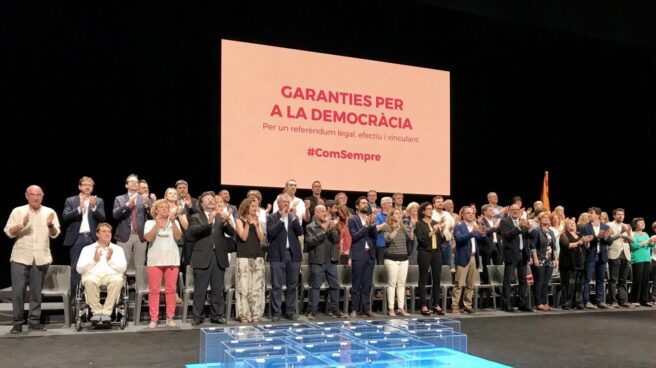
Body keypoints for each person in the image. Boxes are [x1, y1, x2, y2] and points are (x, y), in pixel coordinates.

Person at [4, 185, 61, 333]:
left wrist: (50, 225)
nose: (35, 197)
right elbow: (9, 232)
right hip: (20, 257)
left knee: (36, 292)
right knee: (18, 292)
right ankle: (17, 323)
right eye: (32, 194)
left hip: (41, 257)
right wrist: (21, 224)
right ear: (26, 196)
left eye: (38, 195)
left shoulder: (49, 212)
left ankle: (34, 322)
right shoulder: (18, 211)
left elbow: (55, 234)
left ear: (42, 196)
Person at [187, 191, 235, 326]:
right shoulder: (196, 216)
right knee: (200, 289)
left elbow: (232, 233)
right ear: (201, 204)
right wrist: (208, 222)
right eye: (207, 199)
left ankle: (216, 315)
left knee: (217, 289)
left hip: (218, 256)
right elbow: (191, 234)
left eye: (212, 199)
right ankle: (197, 316)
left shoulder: (221, 216)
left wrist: (227, 223)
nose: (210, 200)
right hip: (202, 257)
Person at [61, 176, 106, 298]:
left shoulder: (98, 201)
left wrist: (93, 207)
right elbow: (65, 217)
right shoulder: (71, 201)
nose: (88, 187)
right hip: (77, 238)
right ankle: (76, 298)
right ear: (79, 187)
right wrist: (79, 208)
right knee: (76, 268)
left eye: (90, 185)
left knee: (94, 267)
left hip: (92, 238)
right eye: (85, 184)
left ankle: (91, 298)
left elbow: (102, 218)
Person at [76, 223, 127, 323]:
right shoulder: (87, 249)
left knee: (118, 280)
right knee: (89, 281)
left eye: (109, 232)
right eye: (104, 231)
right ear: (97, 234)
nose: (107, 234)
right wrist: (94, 260)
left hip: (112, 275)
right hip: (93, 275)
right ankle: (97, 312)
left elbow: (123, 269)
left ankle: (106, 313)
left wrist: (110, 259)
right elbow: (79, 269)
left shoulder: (118, 249)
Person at [144, 199, 182, 328]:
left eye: (167, 207)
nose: (165, 209)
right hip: (155, 260)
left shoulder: (174, 222)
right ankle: (154, 318)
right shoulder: (149, 222)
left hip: (172, 259)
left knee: (171, 290)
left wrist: (172, 222)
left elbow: (178, 237)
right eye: (162, 207)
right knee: (154, 290)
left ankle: (170, 317)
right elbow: (148, 238)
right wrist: (156, 224)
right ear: (156, 210)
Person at [305, 205, 348, 319]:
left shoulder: (332, 225)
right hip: (317, 262)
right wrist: (323, 232)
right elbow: (310, 242)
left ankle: (336, 311)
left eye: (325, 211)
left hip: (331, 261)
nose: (325, 213)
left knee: (335, 286)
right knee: (316, 287)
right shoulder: (310, 226)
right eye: (322, 211)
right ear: (316, 214)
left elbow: (336, 240)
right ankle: (312, 312)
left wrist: (332, 228)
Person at [267, 193, 304, 321]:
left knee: (292, 286)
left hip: (293, 255)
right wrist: (282, 219)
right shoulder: (272, 217)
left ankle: (290, 311)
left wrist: (293, 217)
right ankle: (276, 312)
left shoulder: (294, 218)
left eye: (288, 202)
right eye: (283, 202)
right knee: (277, 286)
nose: (286, 204)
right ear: (278, 204)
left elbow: (300, 232)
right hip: (277, 255)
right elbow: (271, 234)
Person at [234, 197, 266, 323]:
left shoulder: (258, 220)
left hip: (257, 256)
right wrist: (247, 223)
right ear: (246, 207)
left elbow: (262, 238)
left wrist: (257, 225)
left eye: (256, 206)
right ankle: (243, 314)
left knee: (257, 287)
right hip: (243, 257)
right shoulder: (239, 220)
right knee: (243, 287)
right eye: (252, 206)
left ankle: (256, 313)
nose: (255, 208)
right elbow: (243, 237)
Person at [112, 174, 152, 271]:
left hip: (140, 236)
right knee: (121, 265)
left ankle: (139, 286)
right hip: (124, 235)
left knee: (140, 266)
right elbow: (115, 215)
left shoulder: (144, 198)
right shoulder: (119, 198)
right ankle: (121, 285)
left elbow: (152, 217)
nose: (134, 183)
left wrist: (147, 205)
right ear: (126, 185)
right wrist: (127, 205)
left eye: (136, 182)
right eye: (131, 181)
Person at [347, 196, 378, 318]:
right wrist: (365, 225)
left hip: (369, 254)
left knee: (367, 284)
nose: (366, 205)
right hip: (358, 254)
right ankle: (354, 309)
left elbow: (374, 236)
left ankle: (366, 308)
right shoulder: (353, 220)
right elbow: (354, 237)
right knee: (356, 283)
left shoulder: (371, 219)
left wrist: (373, 224)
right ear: (357, 206)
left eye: (367, 203)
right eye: (363, 203)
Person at [498, 204, 532, 312]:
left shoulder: (523, 221)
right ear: (509, 211)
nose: (515, 211)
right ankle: (506, 304)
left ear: (520, 211)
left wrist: (530, 229)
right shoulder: (505, 221)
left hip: (523, 254)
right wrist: (518, 228)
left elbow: (529, 238)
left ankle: (522, 304)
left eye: (517, 209)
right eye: (513, 209)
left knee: (523, 281)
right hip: (511, 254)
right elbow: (506, 235)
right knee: (507, 280)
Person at [452, 206, 484, 314]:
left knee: (471, 284)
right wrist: (472, 233)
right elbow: (459, 239)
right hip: (462, 257)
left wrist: (481, 230)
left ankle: (467, 305)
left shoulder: (475, 225)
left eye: (472, 213)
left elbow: (481, 239)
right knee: (459, 283)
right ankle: (455, 305)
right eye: (468, 213)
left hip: (473, 257)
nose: (471, 215)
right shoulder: (459, 226)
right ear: (463, 215)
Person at [415, 201, 444, 315]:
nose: (430, 210)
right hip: (424, 252)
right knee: (423, 278)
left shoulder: (435, 222)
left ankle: (436, 304)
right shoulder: (419, 224)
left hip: (436, 252)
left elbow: (440, 240)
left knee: (437, 278)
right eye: (428, 209)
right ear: (423, 211)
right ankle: (423, 305)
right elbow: (421, 240)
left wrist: (441, 231)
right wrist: (433, 231)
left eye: (431, 209)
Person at [382, 207, 413, 316]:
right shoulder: (387, 227)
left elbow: (410, 239)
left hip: (404, 258)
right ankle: (391, 308)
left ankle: (401, 308)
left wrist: (412, 229)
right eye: (396, 213)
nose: (399, 215)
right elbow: (387, 240)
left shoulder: (404, 227)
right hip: (391, 258)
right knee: (392, 283)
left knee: (401, 284)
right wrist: (395, 230)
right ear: (391, 216)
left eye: (399, 213)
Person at [580, 207, 611, 309]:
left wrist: (606, 237)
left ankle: (600, 300)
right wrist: (597, 237)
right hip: (590, 255)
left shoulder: (605, 226)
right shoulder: (585, 227)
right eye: (588, 213)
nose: (589, 215)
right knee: (587, 279)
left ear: (598, 215)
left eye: (591, 213)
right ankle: (586, 301)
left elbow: (609, 242)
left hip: (602, 255)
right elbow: (585, 243)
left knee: (600, 279)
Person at [529, 212, 558, 311]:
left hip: (549, 260)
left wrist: (555, 259)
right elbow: (532, 245)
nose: (546, 219)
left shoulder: (551, 231)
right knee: (539, 282)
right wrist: (535, 258)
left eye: (547, 218)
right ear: (540, 220)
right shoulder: (536, 230)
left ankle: (545, 302)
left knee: (546, 282)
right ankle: (538, 303)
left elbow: (553, 247)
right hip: (540, 259)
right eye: (543, 217)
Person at [606, 208, 634, 308]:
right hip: (614, 255)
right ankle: (613, 301)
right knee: (613, 279)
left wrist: (628, 234)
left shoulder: (626, 226)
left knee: (623, 279)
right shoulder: (608, 225)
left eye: (622, 214)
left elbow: (633, 240)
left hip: (626, 255)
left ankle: (623, 301)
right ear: (614, 216)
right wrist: (620, 233)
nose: (621, 216)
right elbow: (608, 239)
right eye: (618, 214)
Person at [558, 219, 586, 310]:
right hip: (568, 263)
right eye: (569, 223)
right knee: (568, 284)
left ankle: (578, 302)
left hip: (579, 262)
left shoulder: (579, 235)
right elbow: (567, 245)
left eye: (573, 223)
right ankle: (567, 303)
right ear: (566, 225)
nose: (572, 225)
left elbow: (584, 246)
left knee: (578, 284)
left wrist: (587, 242)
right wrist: (579, 243)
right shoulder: (564, 235)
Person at [629, 217, 655, 307]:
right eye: (640, 223)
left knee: (645, 280)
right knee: (638, 279)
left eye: (643, 222)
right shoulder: (632, 234)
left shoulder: (645, 234)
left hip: (647, 259)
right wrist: (648, 241)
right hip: (637, 259)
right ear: (635, 225)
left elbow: (649, 246)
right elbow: (634, 246)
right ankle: (635, 299)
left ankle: (645, 299)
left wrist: (652, 243)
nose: (643, 224)